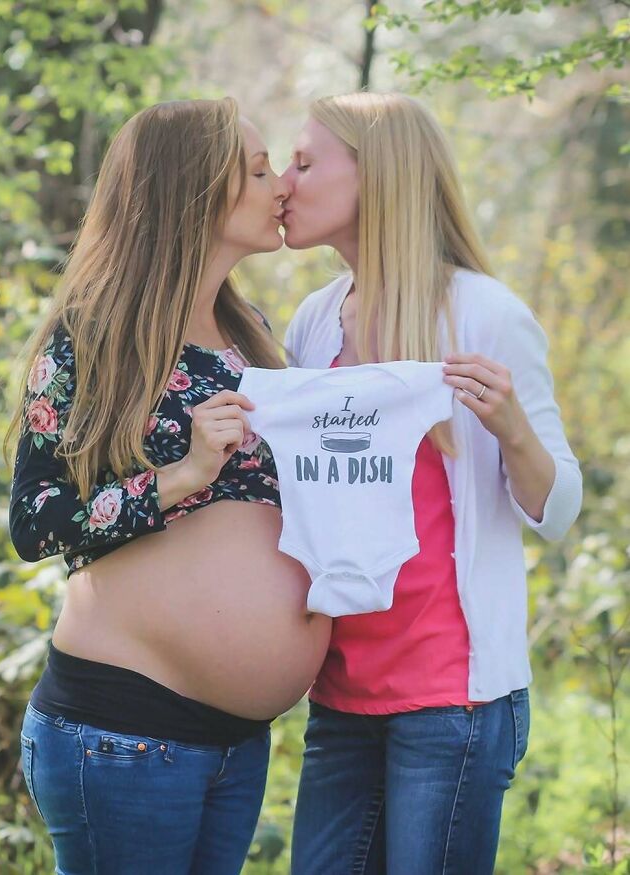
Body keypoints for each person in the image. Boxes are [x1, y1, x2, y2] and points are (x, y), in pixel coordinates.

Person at [6, 98, 331, 875]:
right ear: (194, 193)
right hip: (122, 730)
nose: (279, 182)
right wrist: (178, 476)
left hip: (236, 744)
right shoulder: (93, 333)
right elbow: (34, 520)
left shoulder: (251, 333)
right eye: (257, 171)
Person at [281, 92, 582, 875]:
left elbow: (558, 510)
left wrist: (513, 428)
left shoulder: (485, 315)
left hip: (453, 703)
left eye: (306, 161)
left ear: (374, 176)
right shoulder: (313, 322)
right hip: (340, 693)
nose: (285, 180)